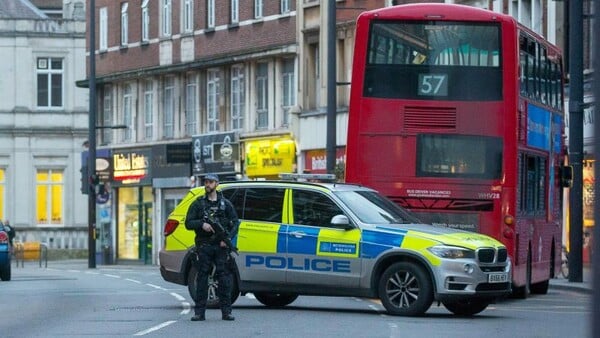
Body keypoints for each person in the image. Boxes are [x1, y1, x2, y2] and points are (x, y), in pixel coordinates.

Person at [185, 173, 239, 322]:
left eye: (210, 182)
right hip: (204, 245)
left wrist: (226, 239)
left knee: (224, 278)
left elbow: (235, 222)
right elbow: (188, 223)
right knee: (202, 277)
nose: (207, 184)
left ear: (217, 184)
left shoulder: (225, 204)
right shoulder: (198, 203)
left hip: (221, 246)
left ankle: (226, 312)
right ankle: (199, 313)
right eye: (206, 182)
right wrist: (202, 224)